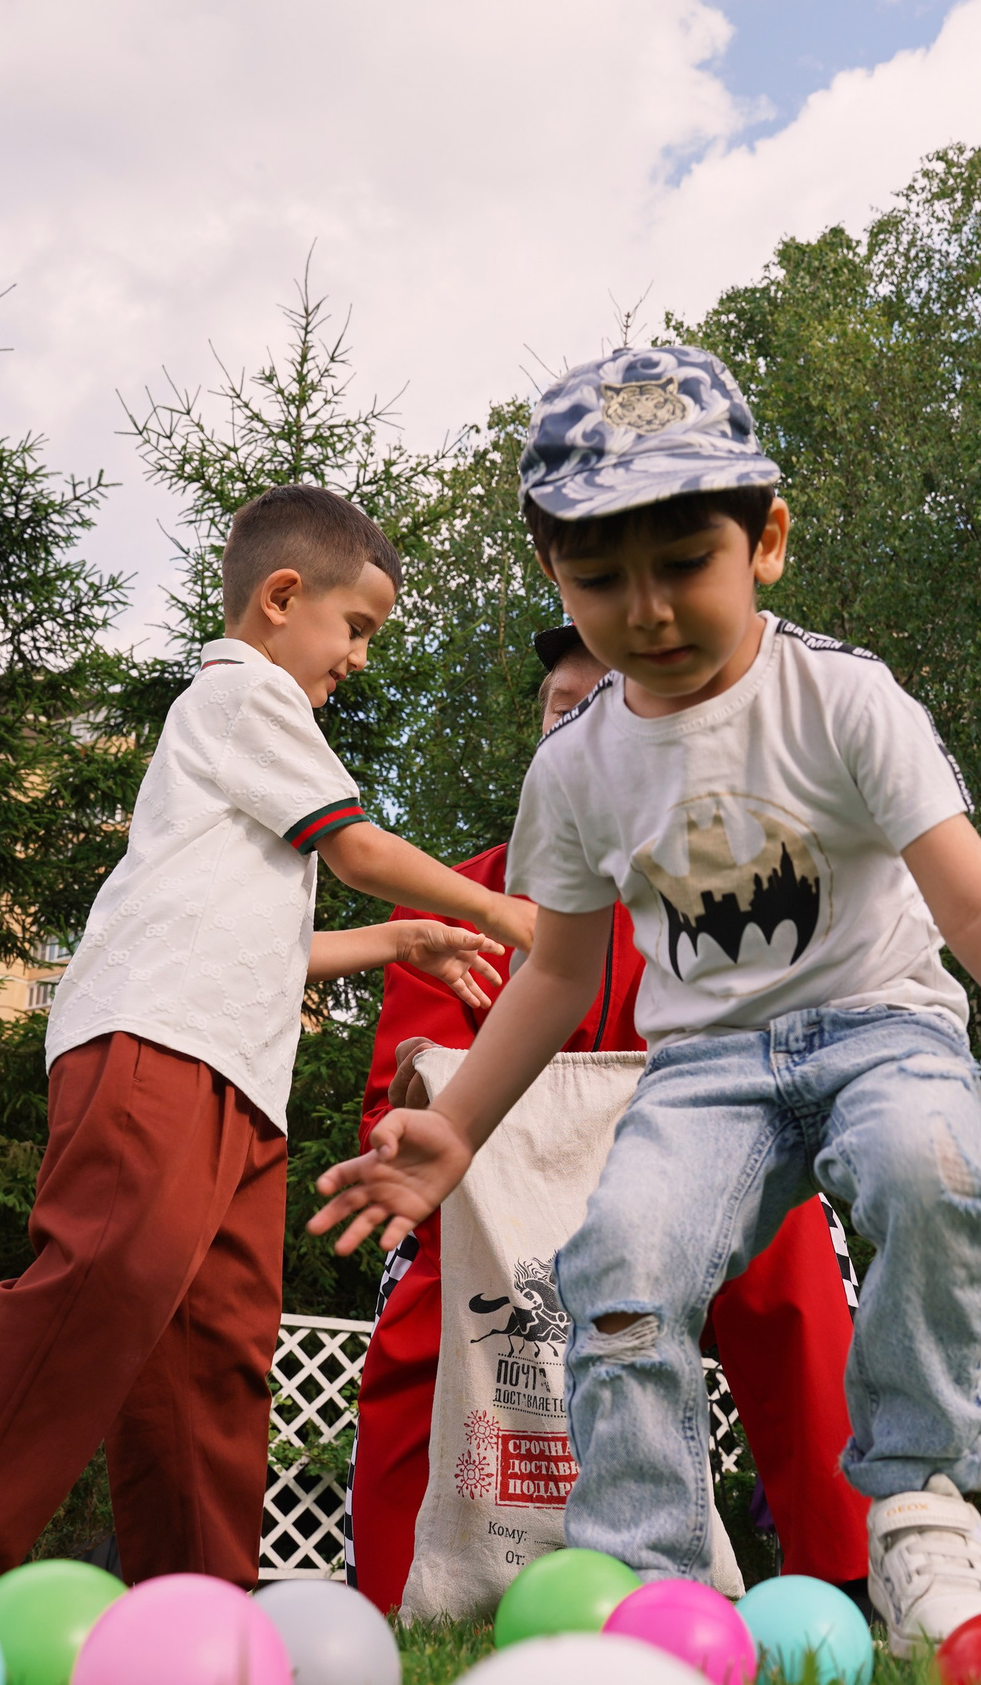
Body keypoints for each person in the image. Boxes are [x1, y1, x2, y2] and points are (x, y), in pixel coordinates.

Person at [311, 349, 981, 1654]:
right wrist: (457, 1130)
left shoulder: (842, 697)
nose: (649, 609)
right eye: (600, 579)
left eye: (683, 560)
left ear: (767, 540)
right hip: (702, 1071)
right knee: (618, 1260)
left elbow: (975, 902)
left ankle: (917, 1502)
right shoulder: (576, 766)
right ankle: (656, 1580)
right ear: (554, 577)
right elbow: (559, 973)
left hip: (881, 1026)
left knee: (934, 1169)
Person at [0, 484, 536, 1595]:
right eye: (354, 628)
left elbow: (268, 943)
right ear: (279, 598)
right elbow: (355, 849)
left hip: (235, 1069)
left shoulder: (256, 737)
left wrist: (401, 939)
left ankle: (197, 1609)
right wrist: (501, 911)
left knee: (213, 1354)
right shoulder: (243, 696)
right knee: (103, 1282)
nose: (357, 657)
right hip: (156, 1039)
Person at [346, 624, 870, 1613]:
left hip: (683, 1171)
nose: (578, 725)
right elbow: (405, 1088)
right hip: (496, 1186)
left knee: (796, 1241)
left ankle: (846, 1573)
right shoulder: (464, 895)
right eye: (559, 709)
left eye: (605, 707)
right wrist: (411, 1126)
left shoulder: (726, 885)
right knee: (418, 1269)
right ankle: (390, 1592)